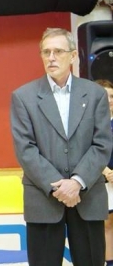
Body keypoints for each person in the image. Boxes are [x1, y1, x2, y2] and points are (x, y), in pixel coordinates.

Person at [10, 28, 113, 266]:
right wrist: (60, 187)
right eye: (46, 52)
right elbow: (25, 149)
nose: (51, 58)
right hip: (43, 199)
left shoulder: (96, 94)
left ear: (73, 55)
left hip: (87, 197)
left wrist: (76, 182)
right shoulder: (23, 97)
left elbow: (102, 144)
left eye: (58, 51)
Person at [95, 79, 113, 266]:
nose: (109, 100)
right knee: (106, 224)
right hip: (100, 181)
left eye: (112, 96)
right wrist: (107, 172)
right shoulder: (89, 124)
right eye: (104, 96)